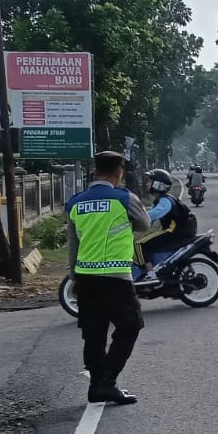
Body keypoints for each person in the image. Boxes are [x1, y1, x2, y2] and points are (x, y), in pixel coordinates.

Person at [66, 151, 151, 405]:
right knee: (130, 326)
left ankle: (95, 386)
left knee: (93, 332)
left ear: (94, 172)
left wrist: (74, 279)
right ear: (119, 172)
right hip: (116, 278)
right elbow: (144, 224)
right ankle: (107, 382)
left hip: (86, 277)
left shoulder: (75, 202)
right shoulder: (124, 198)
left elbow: (73, 244)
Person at [135, 169, 196, 280]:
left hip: (174, 233)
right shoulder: (162, 200)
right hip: (176, 232)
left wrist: (137, 217)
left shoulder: (165, 201)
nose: (147, 183)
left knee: (140, 244)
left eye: (150, 181)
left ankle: (150, 275)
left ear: (158, 185)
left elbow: (153, 214)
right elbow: (150, 219)